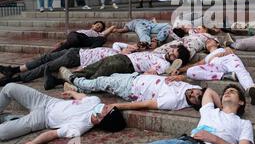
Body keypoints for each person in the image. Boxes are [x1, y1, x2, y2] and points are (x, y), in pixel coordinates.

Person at [122, 86, 253, 144]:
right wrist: (222, 107)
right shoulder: (210, 111)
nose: (227, 92)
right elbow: (208, 91)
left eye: (232, 92)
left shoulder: (243, 123)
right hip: (180, 141)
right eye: (226, 92)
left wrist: (214, 139)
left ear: (241, 102)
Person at [0, 83, 126, 144]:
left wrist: (34, 143)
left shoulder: (78, 128)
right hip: (46, 101)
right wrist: (72, 93)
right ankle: (9, 118)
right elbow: (82, 97)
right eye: (108, 106)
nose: (105, 105)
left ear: (100, 120)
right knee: (9, 88)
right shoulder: (95, 101)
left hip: (42, 119)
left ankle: (10, 119)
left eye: (106, 109)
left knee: (3, 133)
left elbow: (53, 134)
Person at [0, 42, 154, 89]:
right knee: (44, 58)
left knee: (45, 67)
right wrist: (131, 45)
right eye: (132, 47)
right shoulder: (117, 48)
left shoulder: (121, 58)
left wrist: (133, 51)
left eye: (135, 49)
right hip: (76, 51)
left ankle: (14, 79)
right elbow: (117, 43)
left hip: (76, 59)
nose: (131, 48)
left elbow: (98, 65)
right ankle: (13, 70)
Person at [48, 42, 188, 90]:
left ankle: (77, 87)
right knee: (90, 69)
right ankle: (59, 81)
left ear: (178, 60)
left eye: (175, 55)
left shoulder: (164, 64)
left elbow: (149, 73)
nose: (171, 54)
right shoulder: (158, 54)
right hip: (121, 57)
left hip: (127, 65)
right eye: (173, 51)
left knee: (96, 76)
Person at [168, 39, 255, 105]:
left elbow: (233, 48)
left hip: (229, 59)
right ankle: (224, 76)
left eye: (210, 40)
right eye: (206, 42)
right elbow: (195, 65)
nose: (207, 41)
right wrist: (180, 70)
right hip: (214, 66)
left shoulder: (224, 48)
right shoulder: (207, 58)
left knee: (240, 71)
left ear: (217, 42)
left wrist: (228, 48)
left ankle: (250, 88)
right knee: (190, 72)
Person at [62, 72, 205, 112]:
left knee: (100, 82)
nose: (192, 93)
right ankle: (76, 90)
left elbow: (145, 104)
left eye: (195, 98)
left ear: (194, 104)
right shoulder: (189, 88)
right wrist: (179, 76)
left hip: (130, 88)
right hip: (136, 76)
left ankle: (73, 79)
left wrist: (117, 106)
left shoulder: (173, 101)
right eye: (196, 91)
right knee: (107, 79)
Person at [51, 21, 115, 53]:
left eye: (100, 27)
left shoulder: (98, 34)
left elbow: (112, 27)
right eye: (97, 25)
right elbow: (71, 36)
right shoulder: (82, 31)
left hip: (82, 40)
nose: (98, 27)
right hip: (75, 36)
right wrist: (61, 42)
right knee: (72, 37)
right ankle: (53, 53)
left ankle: (53, 53)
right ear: (93, 25)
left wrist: (115, 30)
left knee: (70, 43)